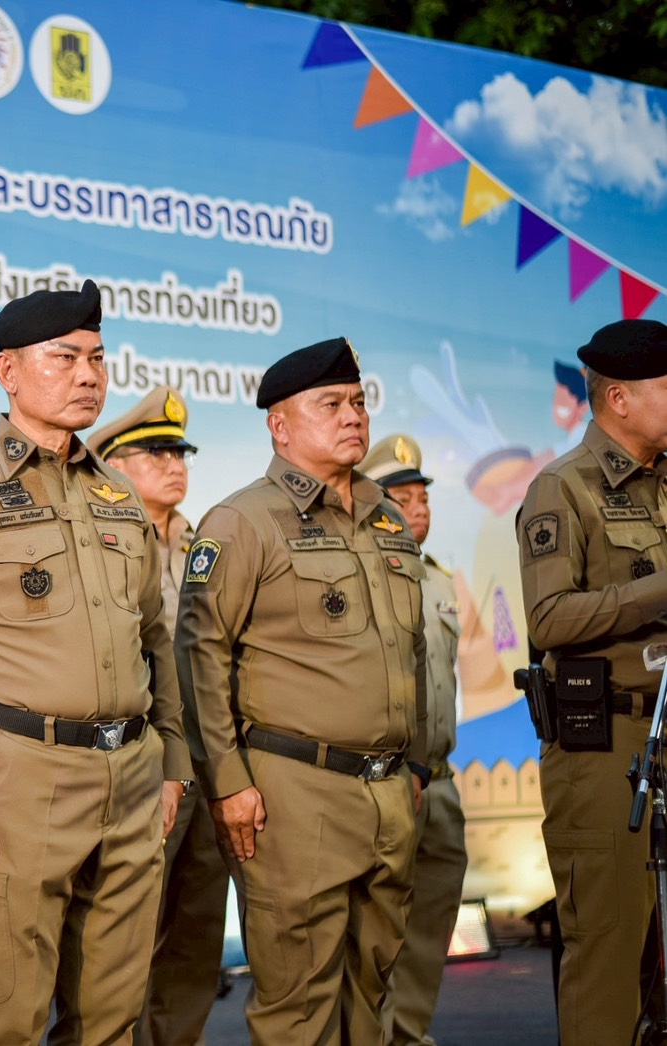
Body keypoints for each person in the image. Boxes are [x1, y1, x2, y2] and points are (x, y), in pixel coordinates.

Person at [0, 280, 190, 1044]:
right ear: (8, 371)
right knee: (10, 1016)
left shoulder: (120, 497)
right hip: (20, 780)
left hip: (132, 777)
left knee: (112, 1018)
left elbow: (157, 643)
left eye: (97, 358)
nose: (88, 375)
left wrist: (174, 765)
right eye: (65, 358)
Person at [175, 336, 426, 1046]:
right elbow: (200, 656)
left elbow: (411, 650)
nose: (352, 416)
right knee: (297, 1009)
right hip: (294, 794)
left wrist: (416, 764)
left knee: (372, 999)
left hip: (388, 793)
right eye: (330, 404)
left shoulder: (387, 519)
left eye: (358, 402)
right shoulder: (242, 521)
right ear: (280, 426)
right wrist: (227, 783)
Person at [518, 318, 667, 1045]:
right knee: (608, 957)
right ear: (619, 399)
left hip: (663, 730)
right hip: (606, 744)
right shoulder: (562, 488)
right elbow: (548, 618)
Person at [88, 386, 230, 1046]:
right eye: (156, 453)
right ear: (115, 464)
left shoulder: (206, 545)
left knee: (198, 929)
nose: (174, 466)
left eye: (180, 454)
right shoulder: (103, 542)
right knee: (129, 933)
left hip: (211, 759)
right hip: (141, 763)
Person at [362, 434, 468, 1046]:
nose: (417, 508)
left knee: (430, 932)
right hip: (389, 780)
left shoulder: (441, 581)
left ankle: (409, 1036)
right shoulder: (364, 572)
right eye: (401, 498)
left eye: (422, 497)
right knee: (378, 933)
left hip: (441, 780)